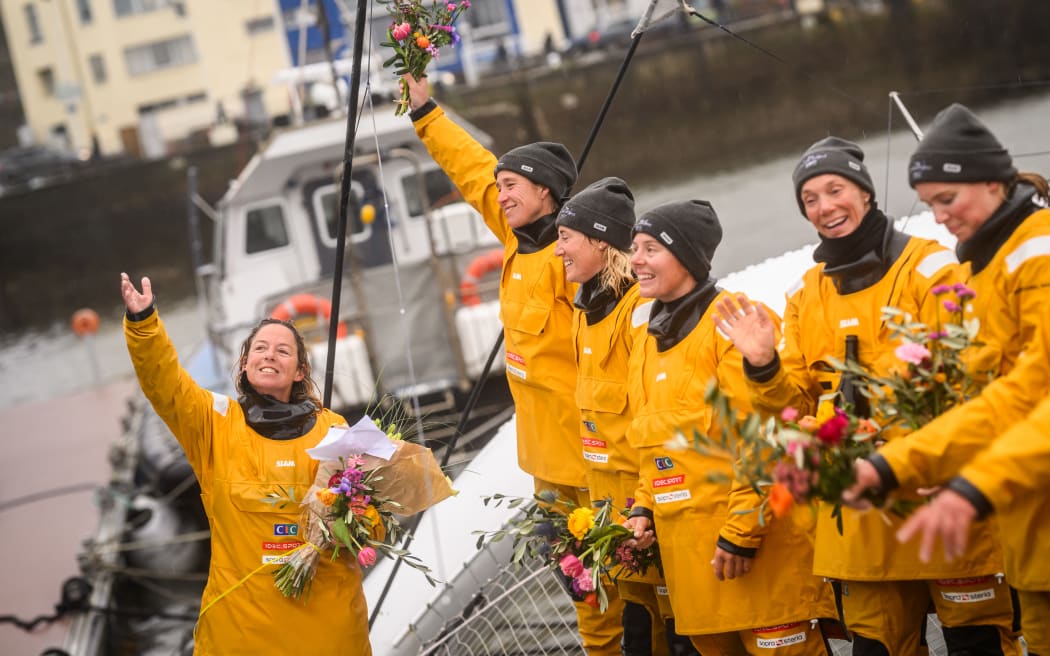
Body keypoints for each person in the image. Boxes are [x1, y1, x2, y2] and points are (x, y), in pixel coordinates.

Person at [712, 136, 1019, 654]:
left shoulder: (931, 268)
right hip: (857, 518)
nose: (825, 207)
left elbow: (971, 380)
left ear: (867, 193)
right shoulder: (803, 294)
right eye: (810, 199)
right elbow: (791, 407)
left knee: (979, 645)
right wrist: (761, 362)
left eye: (836, 190)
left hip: (939, 497)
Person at [401, 74, 622, 654]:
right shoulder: (514, 235)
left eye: (514, 186)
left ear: (548, 192)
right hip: (545, 464)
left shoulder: (570, 256)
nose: (500, 195)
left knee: (620, 585)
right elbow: (472, 171)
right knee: (581, 588)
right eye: (501, 188)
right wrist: (425, 113)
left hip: (594, 462)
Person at [842, 102, 1050, 652]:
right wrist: (896, 466)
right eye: (929, 204)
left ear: (992, 180)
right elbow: (1000, 397)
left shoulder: (1038, 255)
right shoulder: (985, 267)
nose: (937, 218)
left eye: (947, 200)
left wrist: (972, 487)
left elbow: (1036, 396)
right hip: (1031, 538)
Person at [623, 200, 835, 655]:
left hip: (756, 561)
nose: (635, 260)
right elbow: (653, 445)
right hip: (694, 580)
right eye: (633, 248)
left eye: (650, 248)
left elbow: (768, 441)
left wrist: (741, 534)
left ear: (688, 256)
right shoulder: (646, 343)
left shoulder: (734, 324)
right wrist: (643, 507)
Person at [119, 273, 371, 656]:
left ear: (300, 371)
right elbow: (165, 384)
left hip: (329, 633)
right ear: (244, 363)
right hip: (240, 634)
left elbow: (368, 519)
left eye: (283, 351)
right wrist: (144, 324)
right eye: (260, 348)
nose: (270, 354)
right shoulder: (215, 424)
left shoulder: (333, 430)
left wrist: (350, 522)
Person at [554, 177, 697, 656]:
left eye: (566, 238)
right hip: (610, 513)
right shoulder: (583, 310)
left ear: (601, 242)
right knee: (638, 638)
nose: (558, 251)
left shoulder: (640, 311)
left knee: (680, 637)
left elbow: (657, 412)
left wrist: (647, 508)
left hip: (647, 512)